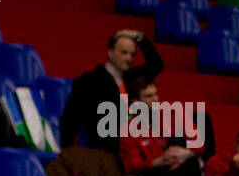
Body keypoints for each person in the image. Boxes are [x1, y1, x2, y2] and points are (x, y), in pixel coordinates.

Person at [60, 29, 165, 158]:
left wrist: (140, 38)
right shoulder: (90, 80)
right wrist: (67, 152)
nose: (128, 58)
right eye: (123, 53)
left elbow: (157, 65)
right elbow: (69, 119)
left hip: (135, 145)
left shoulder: (131, 79)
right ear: (110, 52)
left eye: (132, 54)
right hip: (107, 149)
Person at [118, 72, 213, 176]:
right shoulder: (128, 129)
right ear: (135, 102)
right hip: (155, 173)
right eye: (149, 96)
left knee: (180, 144)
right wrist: (156, 162)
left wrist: (187, 153)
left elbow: (200, 145)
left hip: (185, 171)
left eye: (156, 94)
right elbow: (131, 165)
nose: (155, 99)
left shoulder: (172, 115)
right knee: (184, 161)